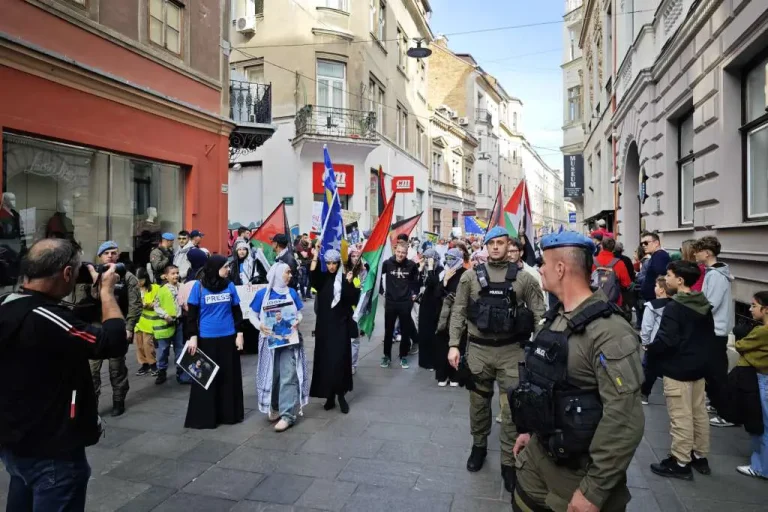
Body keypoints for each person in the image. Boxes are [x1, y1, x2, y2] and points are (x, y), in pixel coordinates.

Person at [509, 230, 644, 512]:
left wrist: (593, 491)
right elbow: (546, 385)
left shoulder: (610, 332)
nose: (541, 269)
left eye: (544, 263)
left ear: (560, 268)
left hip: (576, 477)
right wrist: (531, 432)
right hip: (538, 460)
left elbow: (624, 420)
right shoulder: (556, 318)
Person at [0, 238, 128, 511]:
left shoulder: (7, 305)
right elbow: (113, 342)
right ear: (67, 274)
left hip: (15, 442)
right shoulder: (48, 317)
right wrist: (106, 293)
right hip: (52, 452)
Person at [448, 226, 545, 493]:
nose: (495, 247)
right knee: (478, 405)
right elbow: (458, 311)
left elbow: (539, 314)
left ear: (509, 246)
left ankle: (508, 462)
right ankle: (478, 447)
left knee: (512, 410)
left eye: (500, 243)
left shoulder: (525, 279)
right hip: (478, 351)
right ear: (485, 246)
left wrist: (539, 350)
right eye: (491, 243)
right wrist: (454, 345)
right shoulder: (470, 277)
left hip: (511, 353)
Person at [647, 261, 715, 480]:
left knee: (681, 416)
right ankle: (699, 455)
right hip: (698, 367)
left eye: (668, 275)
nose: (666, 279)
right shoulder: (702, 302)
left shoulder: (675, 306)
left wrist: (651, 349)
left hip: (678, 368)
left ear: (680, 280)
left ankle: (680, 461)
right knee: (698, 413)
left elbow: (667, 339)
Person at [184, 255, 245, 429]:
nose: (228, 270)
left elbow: (237, 312)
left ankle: (229, 415)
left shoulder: (230, 286)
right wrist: (192, 337)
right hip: (206, 339)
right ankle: (206, 417)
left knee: (228, 377)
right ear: (214, 268)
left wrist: (239, 333)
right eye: (225, 267)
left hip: (228, 337)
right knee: (206, 378)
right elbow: (191, 315)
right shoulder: (199, 287)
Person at [83, 241, 141, 417]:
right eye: (106, 253)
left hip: (117, 327)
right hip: (95, 327)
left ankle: (118, 401)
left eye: (113, 253)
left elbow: (135, 304)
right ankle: (92, 405)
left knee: (117, 369)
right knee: (91, 370)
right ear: (100, 256)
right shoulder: (89, 275)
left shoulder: (128, 277)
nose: (110, 256)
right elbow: (80, 302)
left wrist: (129, 327)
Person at [250, 262, 309, 432]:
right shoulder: (263, 294)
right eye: (287, 273)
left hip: (289, 341)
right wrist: (260, 325)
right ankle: (274, 406)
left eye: (290, 272)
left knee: (288, 375)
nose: (290, 275)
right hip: (269, 342)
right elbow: (252, 315)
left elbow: (299, 313)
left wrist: (298, 320)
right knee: (273, 375)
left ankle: (287, 415)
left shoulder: (291, 293)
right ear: (277, 275)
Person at [309, 249, 359, 413]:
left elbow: (353, 299)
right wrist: (315, 255)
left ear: (338, 264)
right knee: (326, 361)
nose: (331, 266)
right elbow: (312, 277)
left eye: (334, 263)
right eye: (328, 263)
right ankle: (329, 396)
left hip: (340, 325)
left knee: (339, 360)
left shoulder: (344, 279)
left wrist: (350, 283)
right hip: (324, 327)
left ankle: (340, 395)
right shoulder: (322, 279)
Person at [693, 236, 735, 425]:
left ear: (707, 253)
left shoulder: (716, 276)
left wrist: (695, 314)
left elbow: (711, 303)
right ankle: (718, 403)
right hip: (714, 329)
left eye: (698, 250)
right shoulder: (713, 273)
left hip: (715, 330)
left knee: (717, 373)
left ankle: (727, 413)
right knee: (712, 371)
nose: (695, 254)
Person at [731, 291, 768, 479]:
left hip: (762, 380)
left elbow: (741, 346)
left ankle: (761, 466)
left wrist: (747, 351)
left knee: (761, 424)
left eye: (754, 305)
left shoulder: (763, 331)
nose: (750, 308)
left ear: (766, 309)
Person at [381, 241, 419, 369]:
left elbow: (416, 281)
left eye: (403, 253)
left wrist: (414, 293)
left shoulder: (411, 265)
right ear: (395, 250)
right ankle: (386, 356)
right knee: (388, 331)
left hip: (405, 303)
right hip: (391, 302)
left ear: (406, 253)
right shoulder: (387, 263)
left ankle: (403, 356)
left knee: (405, 331)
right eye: (398, 252)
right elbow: (375, 274)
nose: (400, 255)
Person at [640, 276, 675, 404]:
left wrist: (645, 342)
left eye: (656, 286)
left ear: (661, 290)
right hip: (670, 341)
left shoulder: (651, 306)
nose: (654, 288)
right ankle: (669, 389)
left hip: (655, 341)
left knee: (650, 370)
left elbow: (647, 326)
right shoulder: (674, 305)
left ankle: (644, 393)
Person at [435, 248, 467, 386]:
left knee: (457, 344)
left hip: (459, 315)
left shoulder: (466, 274)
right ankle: (442, 375)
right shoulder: (446, 272)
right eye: (447, 258)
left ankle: (455, 376)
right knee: (442, 346)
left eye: (452, 259)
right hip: (444, 316)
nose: (449, 262)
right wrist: (445, 281)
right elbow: (436, 294)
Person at [154, 264, 188, 385]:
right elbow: (156, 306)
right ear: (166, 276)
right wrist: (165, 315)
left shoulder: (182, 287)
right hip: (166, 324)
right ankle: (161, 370)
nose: (176, 276)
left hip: (179, 323)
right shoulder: (162, 290)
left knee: (180, 348)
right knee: (163, 350)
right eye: (173, 274)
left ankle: (181, 373)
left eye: (177, 273)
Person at [416, 248, 443, 371]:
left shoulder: (440, 270)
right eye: (425, 258)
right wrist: (420, 269)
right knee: (424, 332)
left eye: (429, 258)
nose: (427, 261)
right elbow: (416, 283)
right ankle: (424, 361)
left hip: (435, 305)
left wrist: (431, 268)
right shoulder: (424, 269)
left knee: (433, 333)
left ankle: (433, 361)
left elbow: (433, 282)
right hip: (424, 305)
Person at [639, 231, 670, 324]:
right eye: (642, 244)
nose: (643, 245)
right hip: (653, 298)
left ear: (656, 243)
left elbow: (661, 276)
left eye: (646, 243)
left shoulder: (660, 256)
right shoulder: (657, 256)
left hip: (656, 300)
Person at [133, 267, 159, 376]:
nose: (139, 283)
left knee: (148, 344)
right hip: (138, 322)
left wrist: (148, 304)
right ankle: (144, 364)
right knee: (139, 345)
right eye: (137, 280)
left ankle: (153, 364)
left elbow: (158, 302)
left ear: (146, 279)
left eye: (141, 280)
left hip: (149, 322)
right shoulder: (134, 290)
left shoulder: (155, 288)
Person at [347, 247, 366, 374]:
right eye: (353, 256)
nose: (355, 258)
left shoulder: (363, 272)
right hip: (345, 309)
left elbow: (365, 290)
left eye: (357, 256)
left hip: (357, 309)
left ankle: (352, 364)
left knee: (354, 339)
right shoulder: (344, 270)